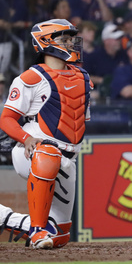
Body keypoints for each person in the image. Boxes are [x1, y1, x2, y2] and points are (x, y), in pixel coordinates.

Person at [0, 18, 92, 249]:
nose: (72, 44)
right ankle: (37, 230)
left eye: (72, 39)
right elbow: (6, 119)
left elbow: (80, 120)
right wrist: (26, 138)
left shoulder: (82, 78)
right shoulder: (31, 78)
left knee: (59, 236)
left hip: (67, 160)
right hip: (32, 150)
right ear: (46, 42)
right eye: (65, 39)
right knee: (48, 154)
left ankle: (7, 219)